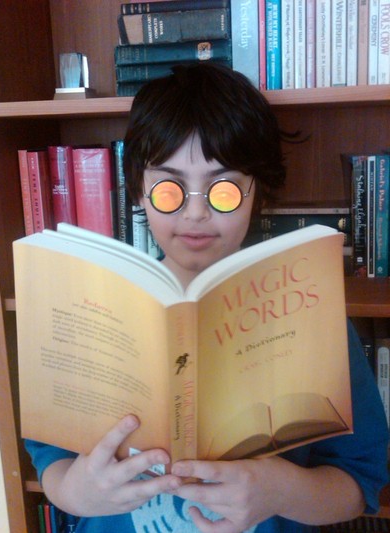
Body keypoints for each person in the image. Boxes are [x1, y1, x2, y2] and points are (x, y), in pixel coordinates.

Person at [25, 63, 389, 533]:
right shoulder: (84, 315)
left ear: (256, 191)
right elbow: (51, 462)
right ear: (138, 188)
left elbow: (359, 485)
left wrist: (279, 488)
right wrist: (80, 493)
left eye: (224, 190)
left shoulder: (313, 317)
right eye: (170, 189)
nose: (195, 212)